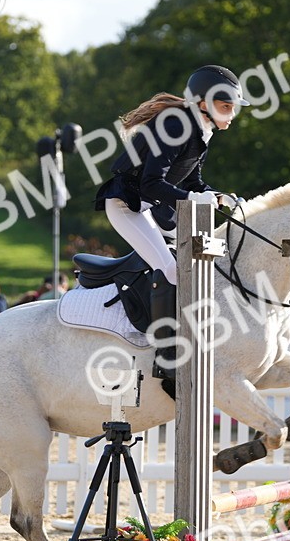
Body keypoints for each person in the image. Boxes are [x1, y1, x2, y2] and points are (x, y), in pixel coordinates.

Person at [93, 64, 249, 383]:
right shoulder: (177, 124)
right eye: (226, 106)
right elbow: (151, 183)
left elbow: (194, 181)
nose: (232, 114)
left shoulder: (201, 131)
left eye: (232, 107)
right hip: (128, 205)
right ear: (203, 103)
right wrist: (194, 200)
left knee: (204, 264)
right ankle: (166, 356)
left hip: (156, 208)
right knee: (172, 270)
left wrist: (220, 197)